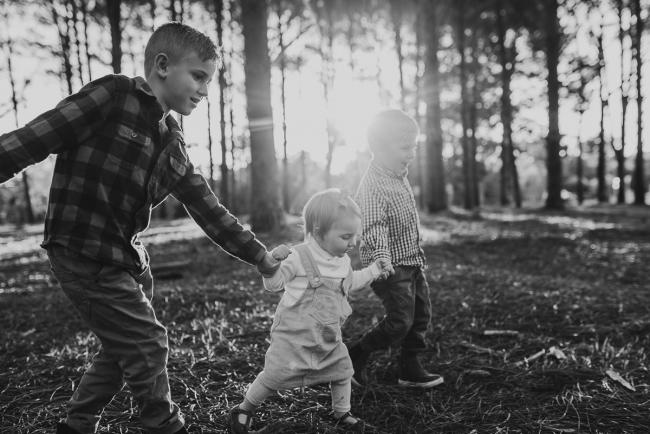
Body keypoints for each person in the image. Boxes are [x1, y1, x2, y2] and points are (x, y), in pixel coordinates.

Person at [0, 22, 282, 434]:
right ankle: (164, 425)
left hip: (128, 262)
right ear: (163, 66)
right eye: (199, 76)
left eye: (209, 80)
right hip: (83, 252)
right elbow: (37, 136)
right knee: (146, 344)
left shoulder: (174, 140)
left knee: (124, 349)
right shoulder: (114, 95)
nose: (205, 90)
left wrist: (259, 255)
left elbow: (207, 206)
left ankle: (76, 425)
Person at [229, 189, 390, 433]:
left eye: (355, 236)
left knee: (343, 370)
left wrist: (374, 270)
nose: (353, 243)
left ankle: (342, 412)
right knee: (273, 376)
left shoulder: (341, 261)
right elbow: (274, 285)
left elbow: (351, 283)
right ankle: (244, 408)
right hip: (293, 339)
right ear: (317, 231)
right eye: (346, 236)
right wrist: (271, 265)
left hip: (327, 338)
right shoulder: (297, 256)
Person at [347, 109, 444, 389]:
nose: (412, 152)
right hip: (389, 266)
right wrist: (381, 258)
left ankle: (409, 367)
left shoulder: (398, 174)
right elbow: (373, 225)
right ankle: (357, 354)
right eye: (405, 147)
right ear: (380, 148)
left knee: (421, 315)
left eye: (414, 145)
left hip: (411, 261)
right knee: (400, 320)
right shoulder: (373, 184)